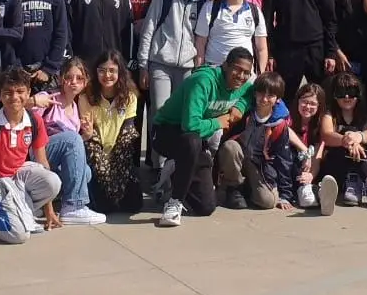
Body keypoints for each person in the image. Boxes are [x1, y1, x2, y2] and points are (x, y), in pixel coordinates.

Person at [150, 48, 257, 226]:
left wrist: (240, 106)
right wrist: (218, 121)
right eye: (237, 69)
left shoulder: (244, 85)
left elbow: (250, 94)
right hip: (166, 133)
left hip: (196, 139)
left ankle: (174, 170)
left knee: (205, 207)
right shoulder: (203, 81)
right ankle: (174, 203)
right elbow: (189, 125)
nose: (241, 76)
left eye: (246, 72)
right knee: (191, 141)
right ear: (225, 65)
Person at [0, 68, 64, 245]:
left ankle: (18, 211)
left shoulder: (34, 121)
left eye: (20, 92)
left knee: (53, 181)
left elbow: (42, 162)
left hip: (19, 178)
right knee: (19, 235)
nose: (14, 97)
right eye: (7, 93)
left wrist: (49, 210)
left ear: (29, 93)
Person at [31, 58, 106, 225]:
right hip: (35, 153)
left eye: (79, 78)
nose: (74, 82)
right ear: (60, 78)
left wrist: (85, 136)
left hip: (53, 159)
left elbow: (70, 148)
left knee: (85, 172)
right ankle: (73, 206)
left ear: (85, 82)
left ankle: (48, 199)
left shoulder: (75, 108)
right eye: (69, 77)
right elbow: (18, 109)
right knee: (72, 139)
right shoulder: (49, 97)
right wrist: (34, 101)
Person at [139, 0, 211, 118]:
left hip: (187, 67)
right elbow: (148, 29)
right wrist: (143, 65)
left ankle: (172, 145)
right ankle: (157, 144)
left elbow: (202, 39)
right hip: (160, 62)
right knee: (159, 110)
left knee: (180, 113)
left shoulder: (204, 3)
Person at [215, 71, 300, 211]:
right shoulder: (245, 114)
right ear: (255, 93)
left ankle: (248, 188)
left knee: (268, 202)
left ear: (278, 99)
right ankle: (233, 187)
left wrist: (285, 194)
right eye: (261, 93)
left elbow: (284, 159)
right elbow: (225, 140)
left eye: (270, 95)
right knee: (230, 147)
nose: (264, 99)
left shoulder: (279, 124)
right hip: (238, 158)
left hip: (260, 166)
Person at [318, 71, 367, 208]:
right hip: (338, 163)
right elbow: (326, 135)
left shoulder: (364, 116)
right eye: (341, 92)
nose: (347, 96)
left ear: (358, 95)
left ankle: (361, 180)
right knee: (347, 139)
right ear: (334, 95)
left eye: (351, 92)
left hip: (363, 160)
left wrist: (358, 137)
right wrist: (347, 140)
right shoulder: (330, 114)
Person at [80, 52, 142, 214]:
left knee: (134, 205)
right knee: (103, 207)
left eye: (112, 70)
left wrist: (115, 164)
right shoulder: (86, 97)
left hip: (119, 156)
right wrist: (103, 163)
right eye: (102, 70)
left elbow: (127, 133)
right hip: (96, 155)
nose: (107, 75)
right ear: (96, 72)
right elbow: (89, 134)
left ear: (120, 72)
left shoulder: (129, 97)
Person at [194, 0, 269, 71]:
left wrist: (261, 75)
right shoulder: (209, 7)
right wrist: (198, 71)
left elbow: (261, 48)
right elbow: (200, 44)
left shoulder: (255, 11)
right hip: (214, 71)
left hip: (244, 74)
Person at [14, 0, 70, 91]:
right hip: (19, 68)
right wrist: (15, 65)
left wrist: (49, 68)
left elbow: (61, 34)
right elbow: (8, 36)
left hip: (45, 69)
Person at [290, 83, 336, 212]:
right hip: (295, 165)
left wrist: (311, 175)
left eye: (313, 104)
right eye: (304, 102)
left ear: (319, 106)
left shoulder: (321, 123)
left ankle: (317, 192)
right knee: (291, 155)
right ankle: (308, 191)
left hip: (314, 166)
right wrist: (305, 152)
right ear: (297, 101)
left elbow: (318, 154)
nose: (307, 107)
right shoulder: (289, 118)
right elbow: (287, 132)